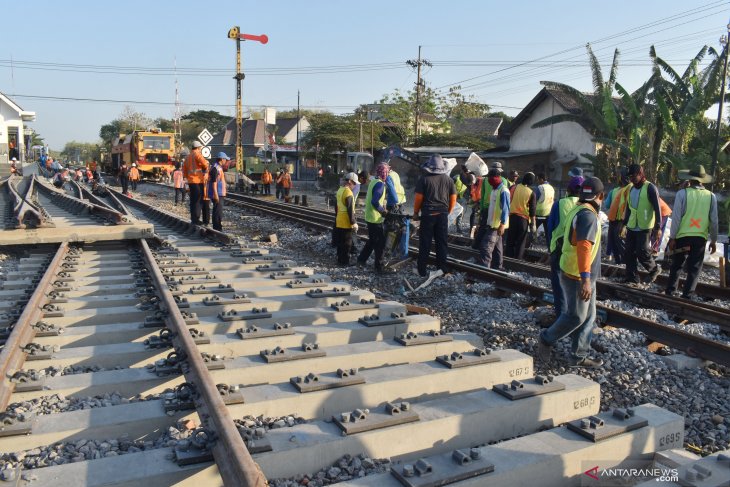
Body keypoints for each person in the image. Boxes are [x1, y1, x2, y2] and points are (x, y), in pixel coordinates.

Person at [537, 176, 605, 368]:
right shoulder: (588, 216)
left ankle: (579, 356)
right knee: (575, 316)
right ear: (601, 196)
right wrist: (585, 279)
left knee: (589, 316)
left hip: (578, 271)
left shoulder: (579, 208)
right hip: (577, 274)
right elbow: (583, 247)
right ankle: (546, 339)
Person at [665, 165, 719, 299]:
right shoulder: (711, 196)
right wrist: (713, 240)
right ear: (702, 180)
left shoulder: (682, 193)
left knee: (677, 264)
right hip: (700, 238)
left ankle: (670, 291)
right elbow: (714, 221)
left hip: (682, 237)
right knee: (695, 267)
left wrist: (672, 238)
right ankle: (687, 295)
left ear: (689, 179)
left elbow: (676, 218)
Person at [545, 175, 584, 318]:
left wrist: (550, 247)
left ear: (568, 189)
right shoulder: (585, 207)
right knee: (575, 283)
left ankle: (561, 314)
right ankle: (574, 315)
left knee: (558, 281)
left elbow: (550, 227)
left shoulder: (559, 204)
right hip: (578, 250)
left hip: (560, 248)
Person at [413, 154, 457, 277]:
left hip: (428, 215)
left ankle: (422, 270)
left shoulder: (424, 179)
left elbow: (418, 198)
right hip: (442, 214)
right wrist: (448, 211)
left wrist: (416, 213)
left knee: (425, 243)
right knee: (441, 242)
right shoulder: (448, 180)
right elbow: (453, 198)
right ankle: (442, 269)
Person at [621, 164, 662, 284]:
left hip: (645, 226)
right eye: (630, 177)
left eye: (633, 176)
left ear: (640, 174)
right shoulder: (631, 189)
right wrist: (624, 224)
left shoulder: (650, 188)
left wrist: (658, 227)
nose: (631, 179)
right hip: (632, 225)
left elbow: (657, 208)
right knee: (628, 252)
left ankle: (654, 269)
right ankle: (632, 278)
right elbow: (629, 208)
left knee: (642, 251)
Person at [357, 163, 390, 273]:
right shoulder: (380, 184)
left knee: (372, 241)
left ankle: (361, 259)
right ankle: (379, 267)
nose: (387, 174)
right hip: (375, 218)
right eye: (387, 172)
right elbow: (374, 201)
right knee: (380, 243)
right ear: (384, 173)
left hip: (370, 216)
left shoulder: (374, 181)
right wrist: (383, 211)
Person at [477, 168, 510, 269]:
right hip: (493, 223)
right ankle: (498, 267)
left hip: (497, 225)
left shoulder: (503, 190)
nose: (490, 181)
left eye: (491, 178)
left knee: (486, 247)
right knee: (497, 248)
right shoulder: (494, 189)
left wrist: (503, 224)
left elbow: (506, 208)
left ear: (498, 178)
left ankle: (485, 269)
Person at [506, 172, 536, 260]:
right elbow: (532, 211)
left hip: (511, 218)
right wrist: (533, 224)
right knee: (521, 242)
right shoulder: (531, 193)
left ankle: (508, 258)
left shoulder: (513, 187)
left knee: (510, 240)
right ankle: (517, 260)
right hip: (523, 220)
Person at [605, 167, 631, 264]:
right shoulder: (629, 188)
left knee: (617, 241)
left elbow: (607, 205)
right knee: (618, 241)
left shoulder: (615, 190)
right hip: (618, 219)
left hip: (619, 220)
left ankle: (622, 262)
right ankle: (621, 263)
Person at [334, 172, 359, 266]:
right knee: (347, 243)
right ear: (349, 181)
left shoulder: (340, 190)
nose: (355, 185)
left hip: (339, 220)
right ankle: (344, 262)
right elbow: (350, 209)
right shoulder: (348, 192)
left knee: (340, 242)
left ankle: (339, 260)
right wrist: (354, 222)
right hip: (346, 221)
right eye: (354, 183)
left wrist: (337, 217)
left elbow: (336, 206)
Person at [183, 141, 210, 225]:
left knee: (193, 201)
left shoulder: (187, 157)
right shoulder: (197, 154)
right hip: (198, 181)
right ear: (198, 148)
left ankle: (193, 219)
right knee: (198, 201)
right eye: (200, 148)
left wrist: (189, 178)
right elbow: (205, 163)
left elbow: (184, 171)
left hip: (191, 181)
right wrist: (204, 168)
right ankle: (197, 219)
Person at [208, 152, 229, 231]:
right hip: (217, 193)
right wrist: (216, 195)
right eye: (225, 159)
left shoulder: (218, 167)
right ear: (222, 159)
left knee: (217, 211)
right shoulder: (215, 168)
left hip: (219, 192)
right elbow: (214, 182)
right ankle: (217, 228)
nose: (226, 161)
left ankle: (217, 227)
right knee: (218, 212)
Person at [534, 173, 555, 243]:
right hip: (549, 213)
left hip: (539, 213)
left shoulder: (540, 187)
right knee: (548, 233)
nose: (537, 181)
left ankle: (528, 244)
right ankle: (550, 249)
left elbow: (534, 200)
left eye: (538, 179)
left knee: (532, 229)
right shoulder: (551, 188)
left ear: (541, 179)